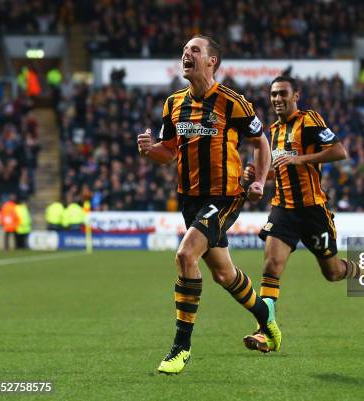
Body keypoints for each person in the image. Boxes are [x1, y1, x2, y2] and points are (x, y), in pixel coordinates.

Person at [137, 35, 281, 374]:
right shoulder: (173, 104)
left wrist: (259, 181)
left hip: (225, 196)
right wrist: (150, 148)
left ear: (212, 61)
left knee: (186, 255)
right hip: (189, 199)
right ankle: (267, 319)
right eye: (184, 50)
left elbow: (261, 144)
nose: (187, 54)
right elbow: (168, 151)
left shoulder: (233, 102)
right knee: (223, 274)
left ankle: (180, 348)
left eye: (195, 50)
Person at [242, 76, 364, 353]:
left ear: (296, 95)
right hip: (283, 208)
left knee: (332, 273)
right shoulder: (274, 129)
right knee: (271, 266)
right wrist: (259, 174)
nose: (277, 99)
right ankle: (265, 331)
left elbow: (339, 151)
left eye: (283, 93)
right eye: (273, 94)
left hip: (312, 210)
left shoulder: (309, 121)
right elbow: (283, 170)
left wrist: (301, 158)